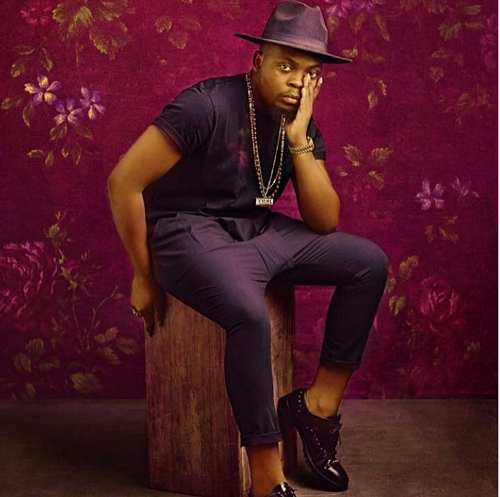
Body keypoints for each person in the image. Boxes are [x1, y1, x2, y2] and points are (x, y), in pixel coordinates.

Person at [107, 1, 389, 496]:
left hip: (257, 230)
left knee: (368, 263)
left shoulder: (300, 124)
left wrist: (299, 139)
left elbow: (325, 220)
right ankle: (266, 473)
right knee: (250, 315)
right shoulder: (205, 105)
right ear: (258, 62)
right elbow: (124, 182)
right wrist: (142, 275)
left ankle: (317, 408)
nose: (297, 83)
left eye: (310, 73)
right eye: (286, 66)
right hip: (187, 230)